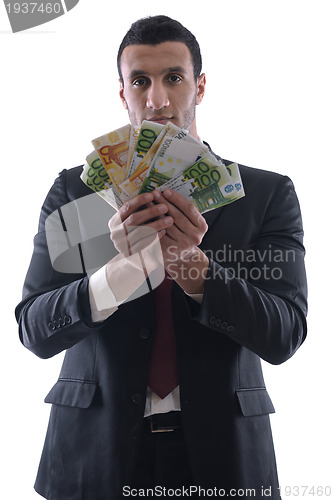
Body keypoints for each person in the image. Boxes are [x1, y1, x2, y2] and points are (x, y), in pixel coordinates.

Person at [15, 15, 307, 500]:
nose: (157, 99)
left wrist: (194, 269)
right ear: (122, 92)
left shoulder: (265, 195)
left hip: (225, 461)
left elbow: (285, 334)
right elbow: (34, 329)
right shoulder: (74, 191)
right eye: (140, 81)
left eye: (174, 77)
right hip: (92, 459)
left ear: (201, 85)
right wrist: (121, 274)